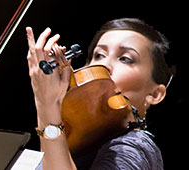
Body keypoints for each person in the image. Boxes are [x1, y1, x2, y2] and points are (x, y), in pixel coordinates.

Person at [26, 18, 173, 170]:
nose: (103, 65)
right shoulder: (72, 148)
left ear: (154, 94)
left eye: (125, 59)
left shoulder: (134, 147)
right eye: (99, 55)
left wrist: (47, 104)